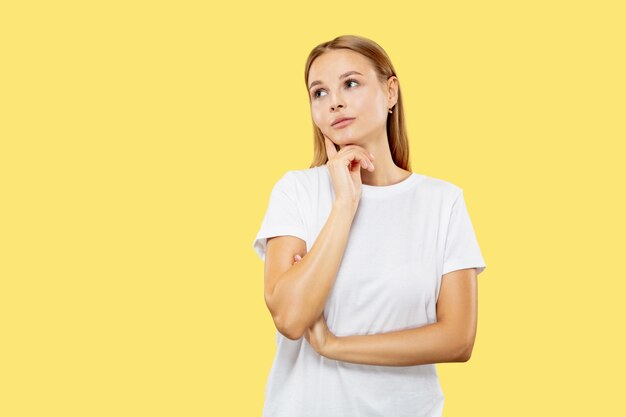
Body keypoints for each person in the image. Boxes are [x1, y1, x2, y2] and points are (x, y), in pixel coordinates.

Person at [252, 34, 486, 417]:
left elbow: (458, 339)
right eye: (319, 93)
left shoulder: (443, 202)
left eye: (351, 83)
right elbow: (291, 318)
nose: (335, 102)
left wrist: (335, 346)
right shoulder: (297, 192)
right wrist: (345, 203)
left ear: (390, 92)